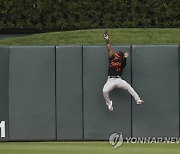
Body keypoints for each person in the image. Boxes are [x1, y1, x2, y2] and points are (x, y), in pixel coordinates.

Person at [102, 31, 144, 112]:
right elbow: (109, 49)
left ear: (120, 57)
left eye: (117, 56)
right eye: (115, 55)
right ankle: (108, 103)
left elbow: (124, 63)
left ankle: (137, 99)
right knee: (104, 91)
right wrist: (107, 40)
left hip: (118, 79)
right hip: (110, 80)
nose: (115, 56)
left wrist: (125, 58)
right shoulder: (111, 59)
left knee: (128, 86)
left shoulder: (122, 62)